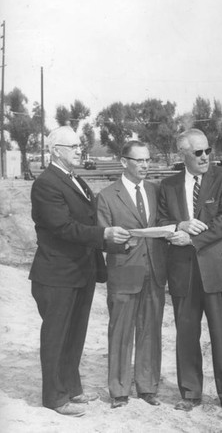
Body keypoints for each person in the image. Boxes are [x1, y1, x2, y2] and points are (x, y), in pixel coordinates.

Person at [29, 126, 131, 418]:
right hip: (57, 274)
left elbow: (84, 222)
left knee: (75, 334)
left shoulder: (76, 181)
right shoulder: (46, 183)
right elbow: (62, 227)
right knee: (56, 336)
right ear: (55, 150)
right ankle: (54, 397)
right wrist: (104, 235)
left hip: (80, 272)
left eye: (79, 145)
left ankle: (71, 387)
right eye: (72, 146)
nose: (79, 150)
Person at [158, 128, 222, 416]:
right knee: (186, 334)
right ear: (182, 155)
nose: (206, 156)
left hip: (219, 269)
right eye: (198, 153)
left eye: (208, 150)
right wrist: (179, 227)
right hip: (183, 271)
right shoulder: (168, 186)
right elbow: (162, 220)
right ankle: (191, 393)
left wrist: (193, 239)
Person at [97, 140, 167, 409]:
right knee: (121, 332)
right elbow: (102, 238)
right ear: (124, 162)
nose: (145, 165)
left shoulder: (155, 190)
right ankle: (119, 391)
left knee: (150, 330)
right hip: (125, 272)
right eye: (139, 160)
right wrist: (120, 241)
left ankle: (148, 387)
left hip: (155, 271)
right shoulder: (106, 196)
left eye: (148, 160)